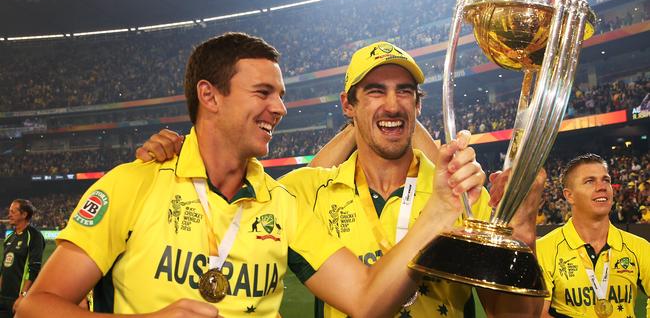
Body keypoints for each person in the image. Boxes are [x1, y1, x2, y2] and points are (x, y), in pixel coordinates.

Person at [19, 33, 484, 318]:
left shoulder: (283, 204)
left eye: (280, 94)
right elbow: (34, 306)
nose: (280, 107)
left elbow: (365, 301)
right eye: (263, 92)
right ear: (211, 95)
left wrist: (439, 209)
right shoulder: (133, 183)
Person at [137, 41, 544, 317]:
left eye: (405, 92)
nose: (393, 104)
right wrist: (179, 148)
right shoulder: (305, 192)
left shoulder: (461, 195)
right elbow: (226, 181)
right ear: (347, 105)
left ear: (418, 105)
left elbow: (512, 315)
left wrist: (523, 233)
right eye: (374, 91)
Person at [536, 154, 650, 317]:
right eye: (590, 181)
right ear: (569, 195)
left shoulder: (639, 247)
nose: (602, 186)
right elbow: (539, 314)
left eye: (606, 180)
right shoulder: (544, 249)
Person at [0, 199, 45, 317]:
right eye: (9, 211)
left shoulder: (34, 236)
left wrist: (23, 295)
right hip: (3, 297)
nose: (9, 214)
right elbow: (4, 268)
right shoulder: (9, 237)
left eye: (13, 212)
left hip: (19, 298)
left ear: (24, 214)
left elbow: (34, 268)